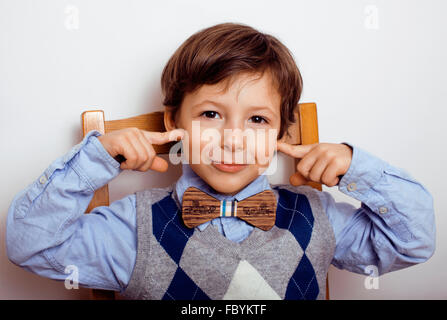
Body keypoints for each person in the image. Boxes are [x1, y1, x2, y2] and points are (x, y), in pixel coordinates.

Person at [6, 23, 435, 300]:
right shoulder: (132, 228)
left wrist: (359, 169)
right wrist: (95, 161)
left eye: (257, 119)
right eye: (210, 114)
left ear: (282, 134)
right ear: (175, 122)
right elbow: (30, 245)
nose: (232, 140)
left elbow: (413, 241)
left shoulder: (319, 216)